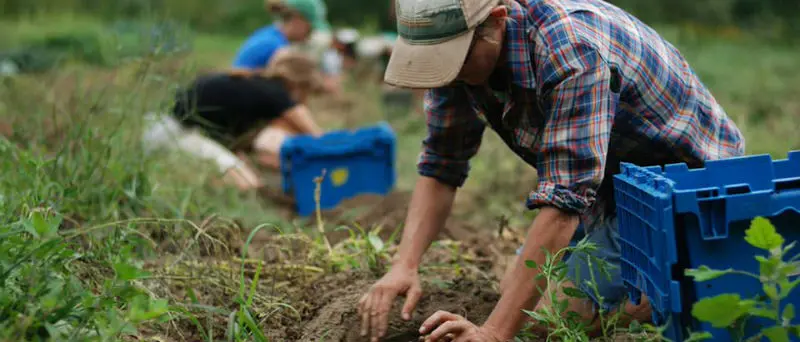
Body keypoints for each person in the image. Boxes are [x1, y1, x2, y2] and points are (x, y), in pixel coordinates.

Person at [358, 0, 746, 341]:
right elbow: (443, 163)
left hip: (680, 187)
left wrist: (493, 334)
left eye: (456, 58)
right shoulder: (457, 62)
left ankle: (658, 303)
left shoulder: (570, 50)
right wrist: (403, 266)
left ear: (495, 21)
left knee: (542, 321)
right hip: (606, 187)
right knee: (516, 293)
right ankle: (632, 296)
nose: (450, 72)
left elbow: (565, 199)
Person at [143, 50, 325, 192]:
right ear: (300, 84)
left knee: (247, 176)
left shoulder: (256, 84)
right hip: (172, 134)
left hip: (162, 129)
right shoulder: (276, 94)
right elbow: (316, 135)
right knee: (246, 184)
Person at [232, 0, 330, 70]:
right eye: (310, 28)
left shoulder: (269, 34)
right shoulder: (274, 46)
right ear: (297, 19)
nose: (310, 35)